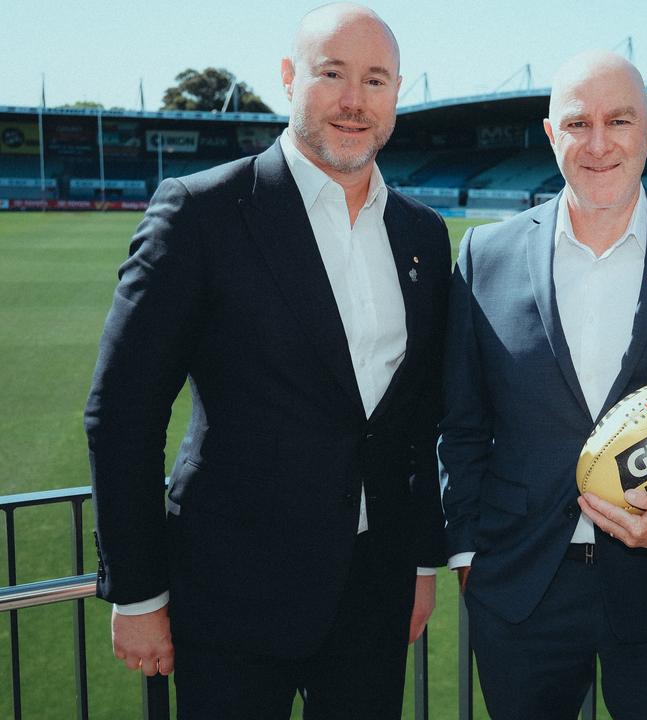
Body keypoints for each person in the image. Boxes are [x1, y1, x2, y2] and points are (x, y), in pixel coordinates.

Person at [84, 4, 450, 716]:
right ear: (289, 78)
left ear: (397, 93)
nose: (354, 100)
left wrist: (422, 561)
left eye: (375, 80)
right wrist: (137, 591)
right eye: (332, 73)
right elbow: (122, 411)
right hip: (231, 599)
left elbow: (419, 416)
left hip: (373, 597)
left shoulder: (422, 235)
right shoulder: (201, 213)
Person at [438, 50, 647, 720]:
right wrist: (469, 554)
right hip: (521, 587)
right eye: (578, 123)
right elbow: (461, 423)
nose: (600, 143)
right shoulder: (485, 257)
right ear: (551, 135)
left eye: (620, 120)